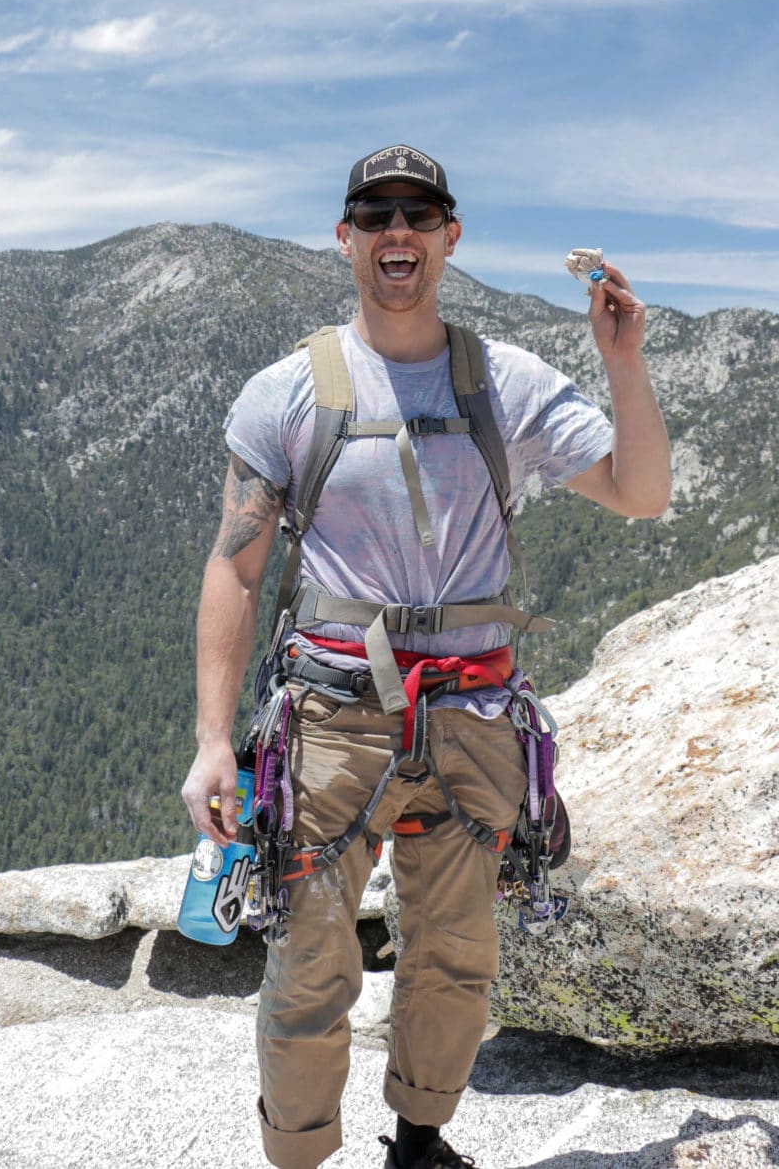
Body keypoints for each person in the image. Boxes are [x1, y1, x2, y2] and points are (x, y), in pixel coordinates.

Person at [181, 144, 671, 1169]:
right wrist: (211, 742)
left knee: (455, 952)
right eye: (376, 214)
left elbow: (640, 491)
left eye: (418, 214)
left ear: (451, 236)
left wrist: (624, 363)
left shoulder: (508, 382)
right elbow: (234, 568)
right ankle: (302, 1153)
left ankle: (421, 1142)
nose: (395, 232)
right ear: (346, 236)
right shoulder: (288, 392)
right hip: (332, 713)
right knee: (312, 959)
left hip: (473, 712)